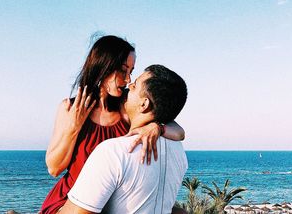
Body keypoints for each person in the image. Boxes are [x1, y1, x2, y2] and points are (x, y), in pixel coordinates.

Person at [41, 35, 185, 214]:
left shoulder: (128, 106)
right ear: (104, 66)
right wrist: (73, 128)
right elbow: (54, 168)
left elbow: (179, 132)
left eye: (131, 71)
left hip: (115, 203)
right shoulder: (70, 108)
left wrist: (157, 127)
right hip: (71, 202)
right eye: (123, 71)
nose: (127, 80)